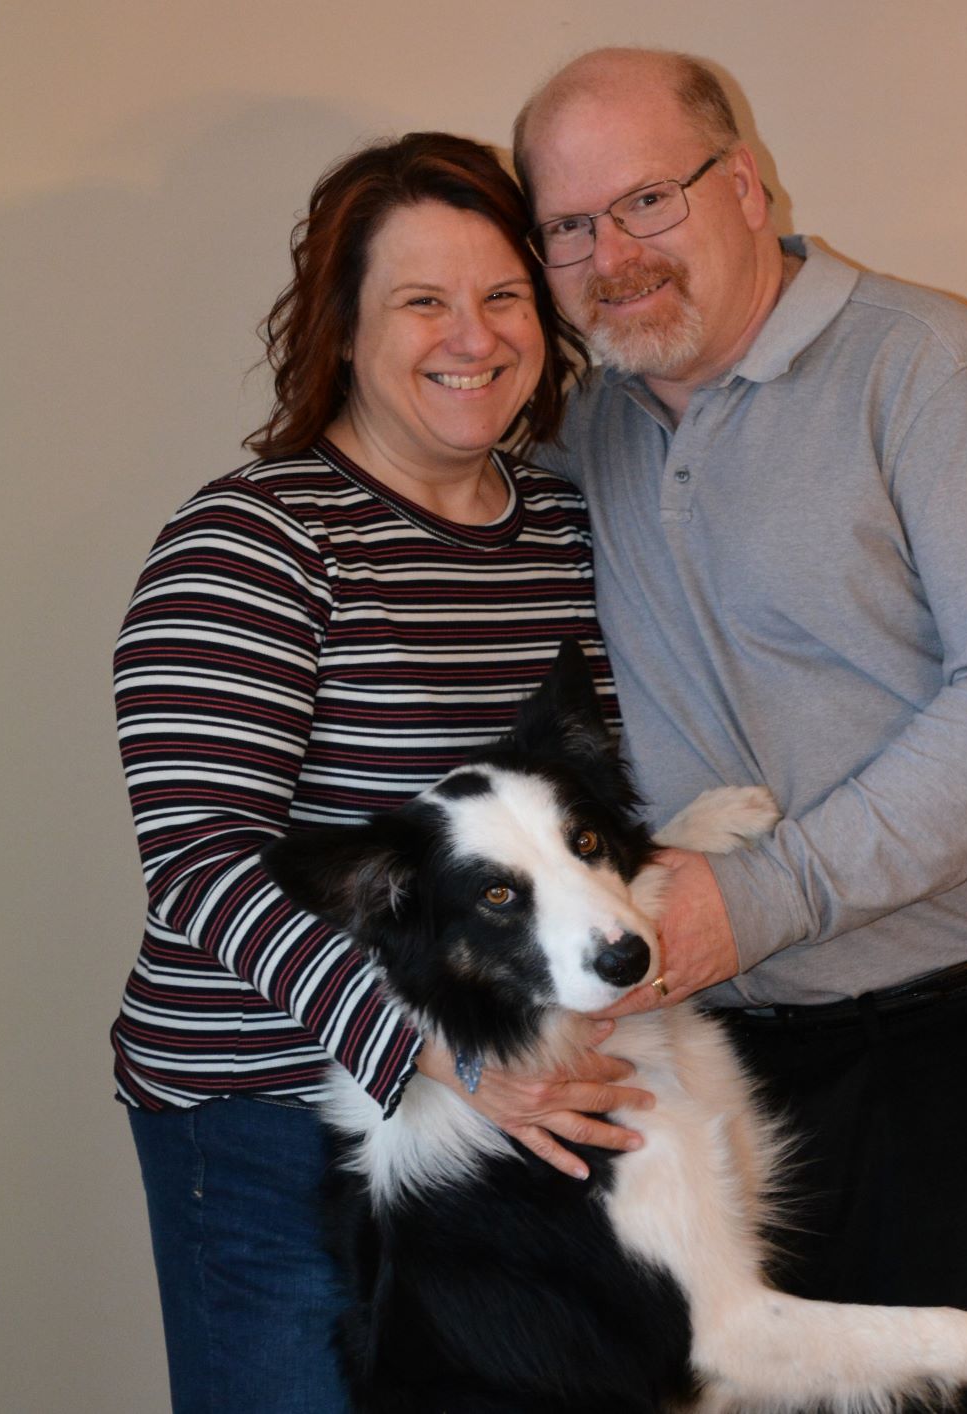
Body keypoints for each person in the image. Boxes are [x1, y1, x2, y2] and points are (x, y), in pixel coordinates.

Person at [513, 48, 967, 1411]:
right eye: (567, 226)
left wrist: (765, 894)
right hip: (737, 1065)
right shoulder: (583, 431)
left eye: (648, 201)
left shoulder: (934, 371)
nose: (611, 254)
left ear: (746, 185)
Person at [110, 132, 654, 1414]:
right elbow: (197, 863)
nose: (471, 335)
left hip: (503, 1103)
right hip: (272, 1116)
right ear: (342, 333)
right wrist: (437, 1053)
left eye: (502, 295)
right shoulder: (252, 541)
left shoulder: (568, 530)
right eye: (421, 301)